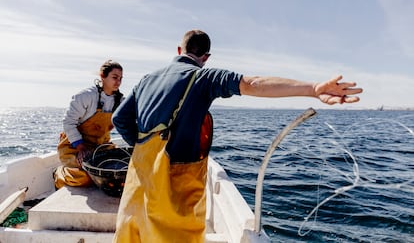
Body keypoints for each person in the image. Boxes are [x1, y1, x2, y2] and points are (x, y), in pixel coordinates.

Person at [111, 29, 363, 242]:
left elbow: (119, 119)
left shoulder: (146, 79)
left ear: (179, 50)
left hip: (139, 173)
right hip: (175, 183)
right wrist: (313, 89)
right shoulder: (204, 77)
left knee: (133, 232)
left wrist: (144, 148)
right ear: (206, 57)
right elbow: (252, 84)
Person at [54, 60, 124, 189]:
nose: (118, 82)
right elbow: (68, 123)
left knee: (117, 167)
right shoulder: (85, 96)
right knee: (86, 177)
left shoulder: (120, 101)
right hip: (74, 147)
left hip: (101, 146)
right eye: (114, 77)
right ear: (102, 76)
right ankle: (59, 174)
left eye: (120, 78)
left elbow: (129, 121)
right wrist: (81, 148)